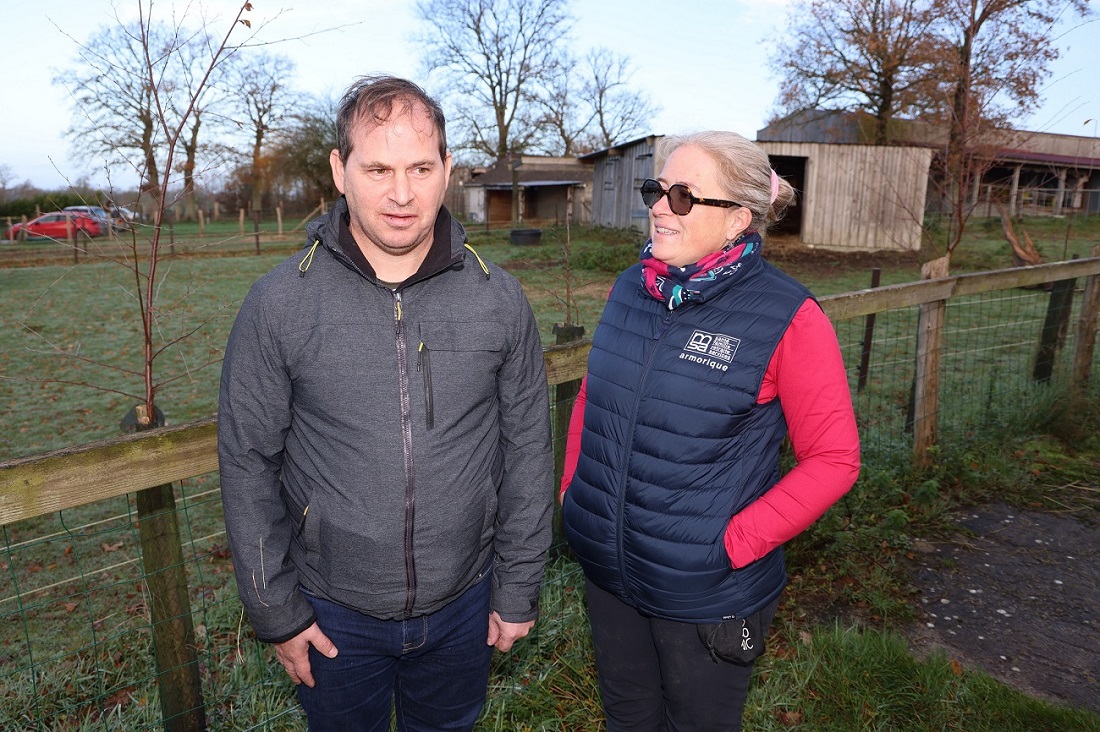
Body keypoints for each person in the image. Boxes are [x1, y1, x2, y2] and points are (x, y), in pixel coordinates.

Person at [218, 75, 553, 731]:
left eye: (421, 168)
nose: (402, 193)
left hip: (465, 603)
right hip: (331, 611)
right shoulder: (280, 304)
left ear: (448, 170)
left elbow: (528, 451)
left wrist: (516, 589)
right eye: (378, 168)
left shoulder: (498, 300)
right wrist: (279, 613)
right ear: (341, 171)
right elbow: (247, 462)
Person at [560, 131, 861, 731]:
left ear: (737, 221)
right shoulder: (632, 289)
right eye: (657, 190)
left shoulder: (788, 316)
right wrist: (574, 496)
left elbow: (835, 459)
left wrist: (731, 545)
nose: (659, 205)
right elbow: (596, 396)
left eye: (683, 195)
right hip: (611, 573)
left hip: (707, 593)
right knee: (627, 716)